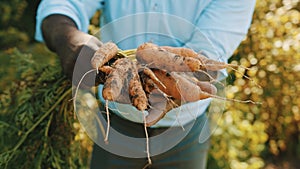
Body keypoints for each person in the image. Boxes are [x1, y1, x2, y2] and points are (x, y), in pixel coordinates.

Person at [35, 0, 256, 168]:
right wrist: (69, 38)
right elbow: (62, 5)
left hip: (188, 129)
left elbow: (209, 53)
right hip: (114, 123)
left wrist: (182, 80)